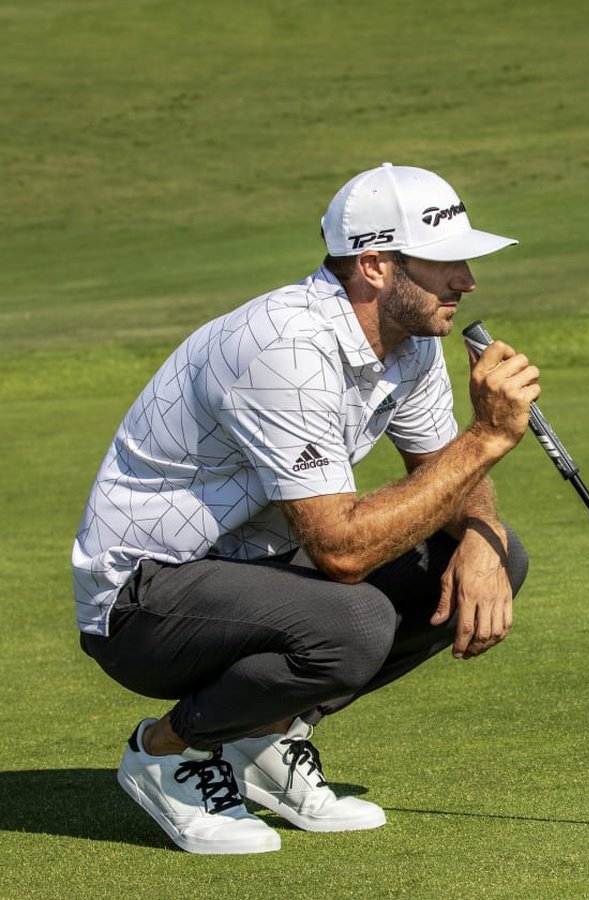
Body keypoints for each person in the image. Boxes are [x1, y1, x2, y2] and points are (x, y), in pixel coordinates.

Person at [72, 162, 540, 855]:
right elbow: (341, 551)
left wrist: (481, 538)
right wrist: (490, 436)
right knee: (353, 621)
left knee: (493, 552)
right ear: (374, 265)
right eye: (444, 262)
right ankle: (165, 753)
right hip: (143, 599)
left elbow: (443, 473)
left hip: (253, 571)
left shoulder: (410, 343)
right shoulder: (283, 345)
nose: (466, 280)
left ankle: (261, 739)